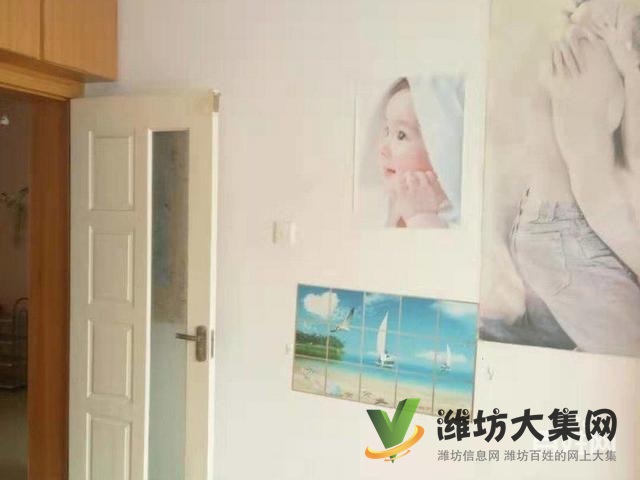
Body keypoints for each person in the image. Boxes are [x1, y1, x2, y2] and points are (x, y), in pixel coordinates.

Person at [481, 0, 640, 356]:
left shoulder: (583, 48)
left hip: (555, 232)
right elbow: (607, 180)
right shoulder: (587, 59)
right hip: (566, 237)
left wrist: (630, 70)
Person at [357, 75, 465, 228]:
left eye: (401, 135)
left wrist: (422, 218)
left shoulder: (457, 221)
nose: (383, 149)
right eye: (387, 130)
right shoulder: (380, 208)